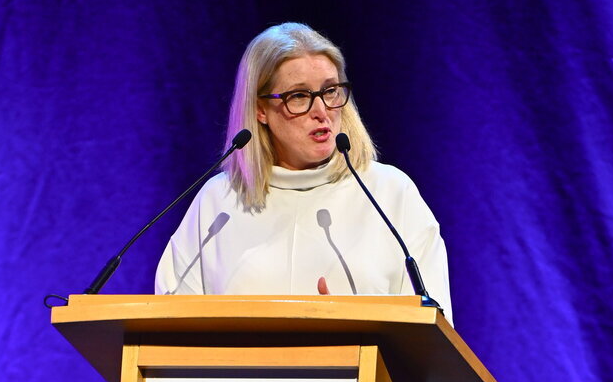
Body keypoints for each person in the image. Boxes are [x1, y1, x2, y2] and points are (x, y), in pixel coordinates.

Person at [155, 22, 453, 322]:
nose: (321, 110)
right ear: (260, 109)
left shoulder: (390, 194)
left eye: (330, 91)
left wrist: (361, 328)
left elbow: (434, 336)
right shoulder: (219, 204)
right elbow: (168, 326)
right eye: (299, 96)